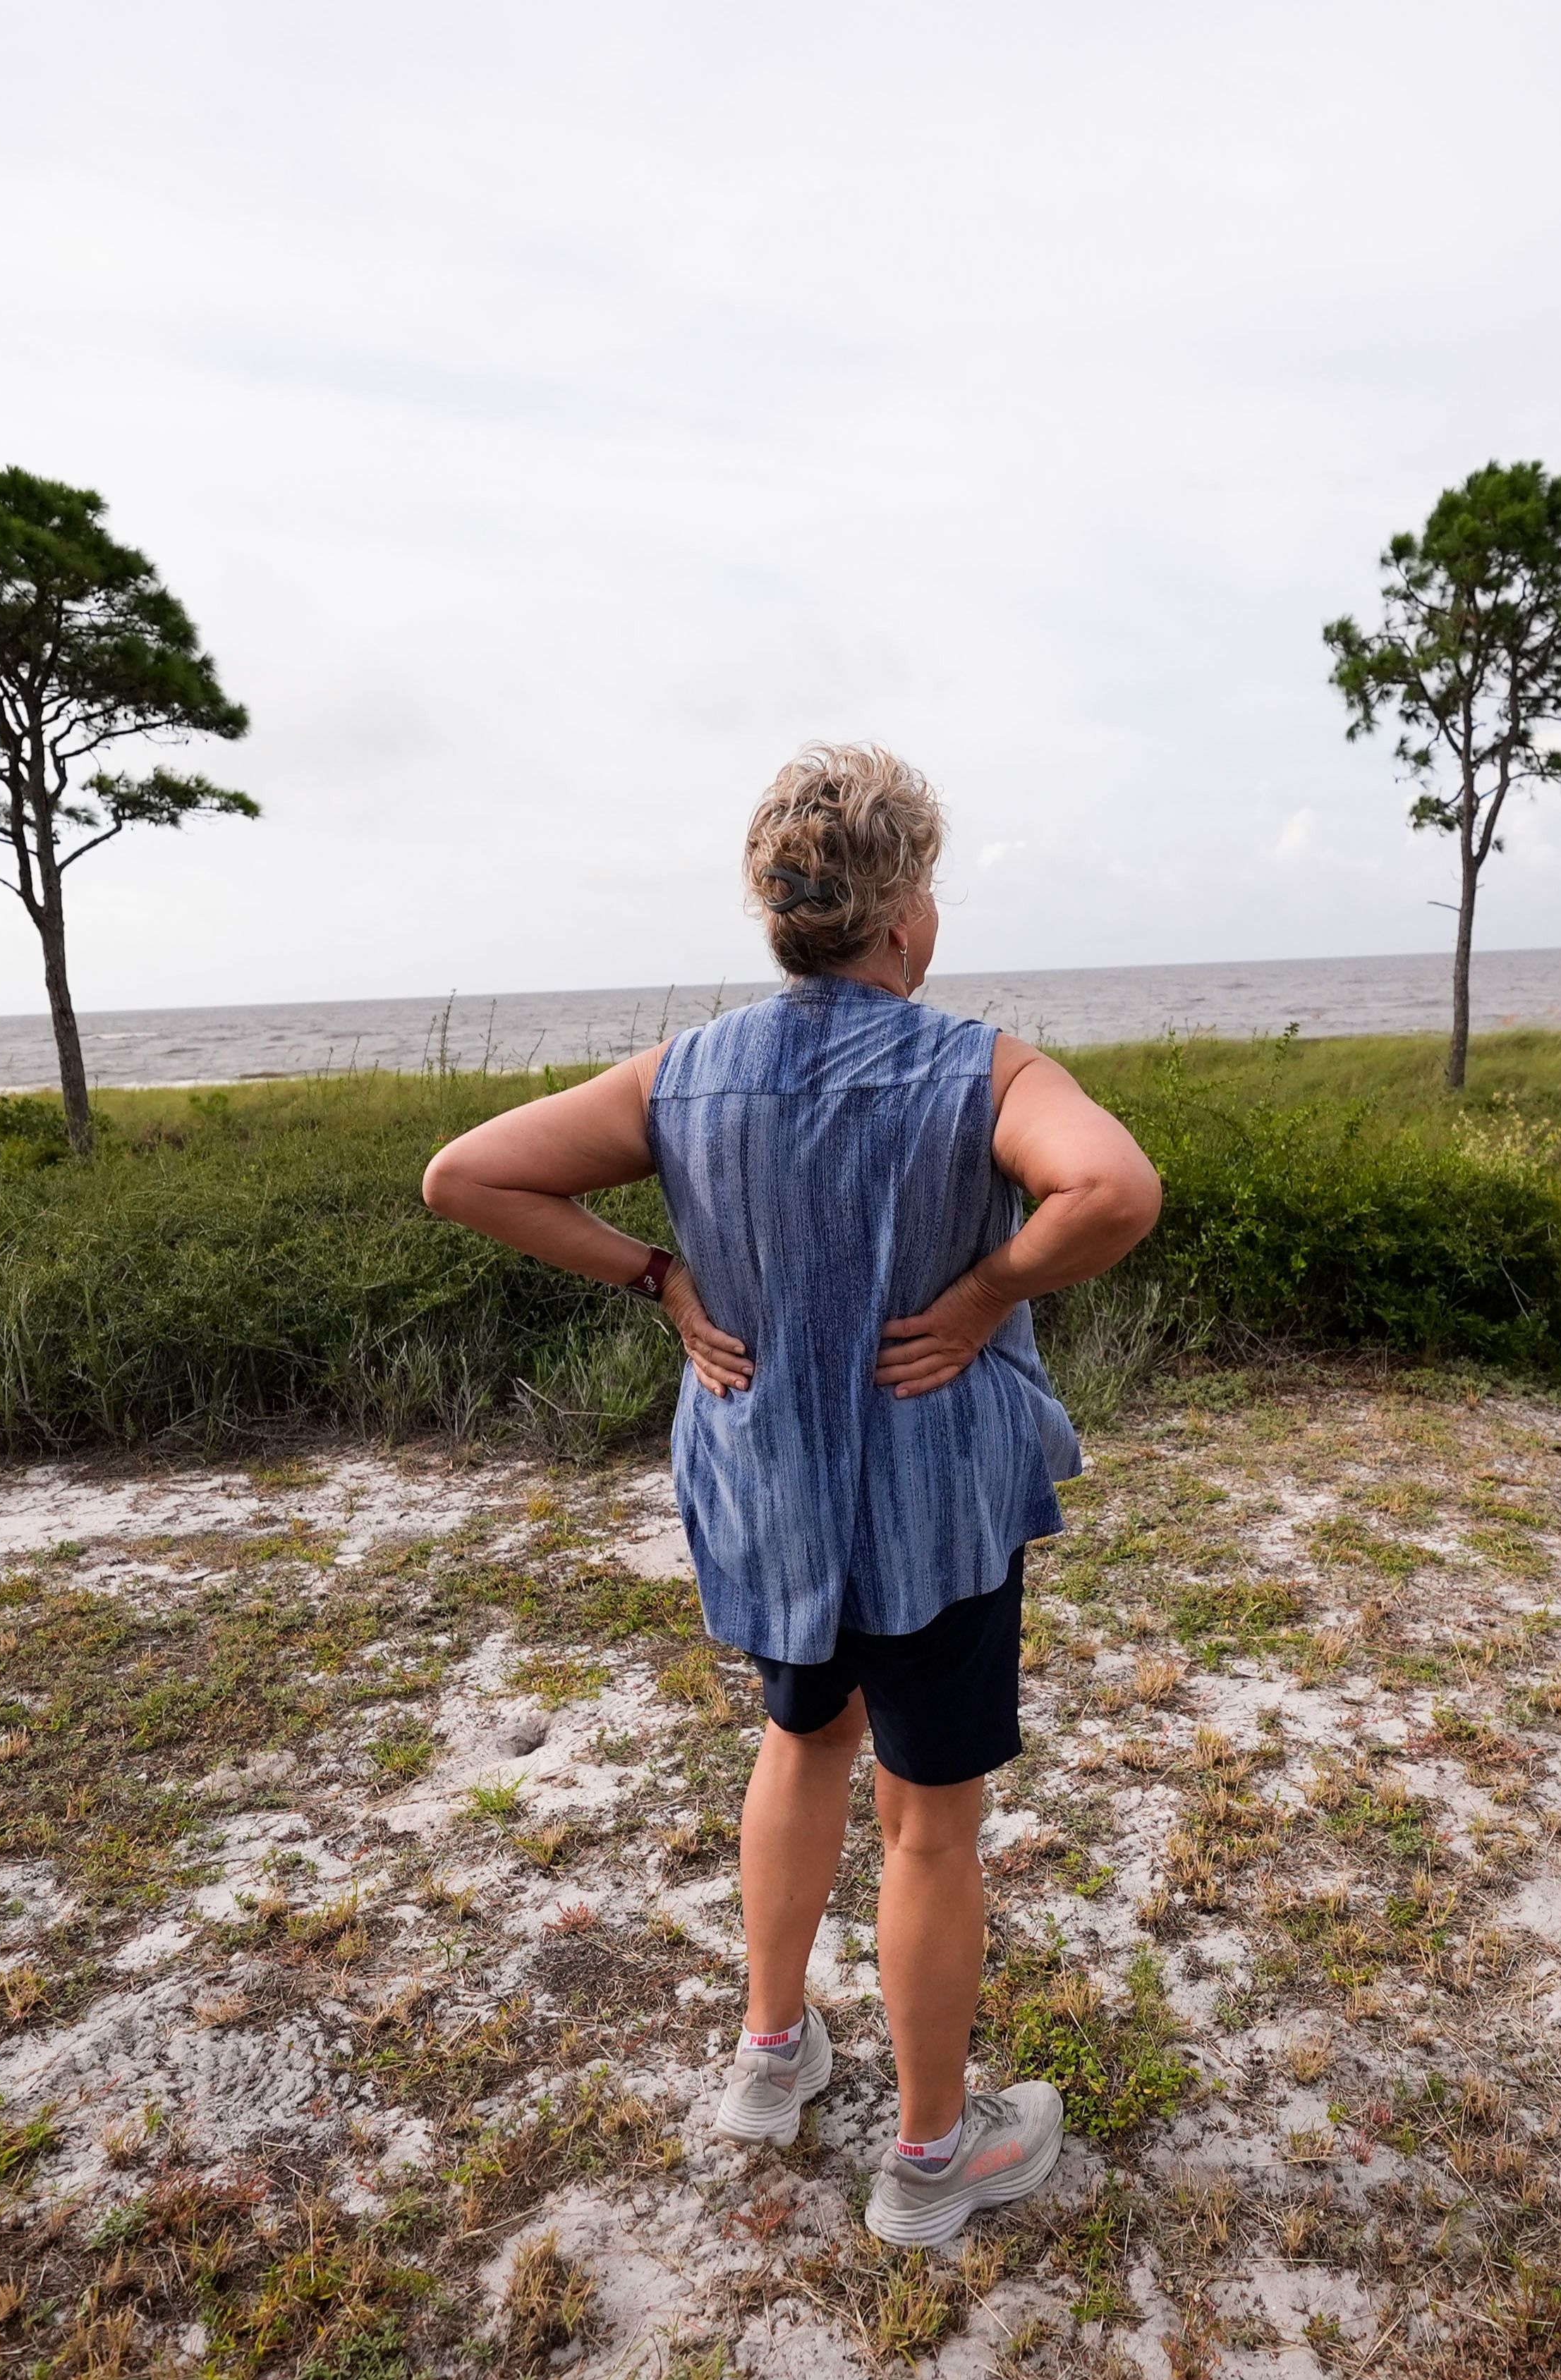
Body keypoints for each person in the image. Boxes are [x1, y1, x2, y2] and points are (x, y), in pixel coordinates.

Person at [419, 743, 1160, 2247]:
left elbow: (468, 1172)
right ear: (903, 918)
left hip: (773, 1501)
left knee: (799, 1732)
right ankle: (936, 2157)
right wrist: (988, 1289)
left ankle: (771, 2058)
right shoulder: (981, 1064)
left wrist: (656, 1272)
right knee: (931, 1825)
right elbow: (1115, 1190)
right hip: (931, 1508)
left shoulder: (685, 1073)